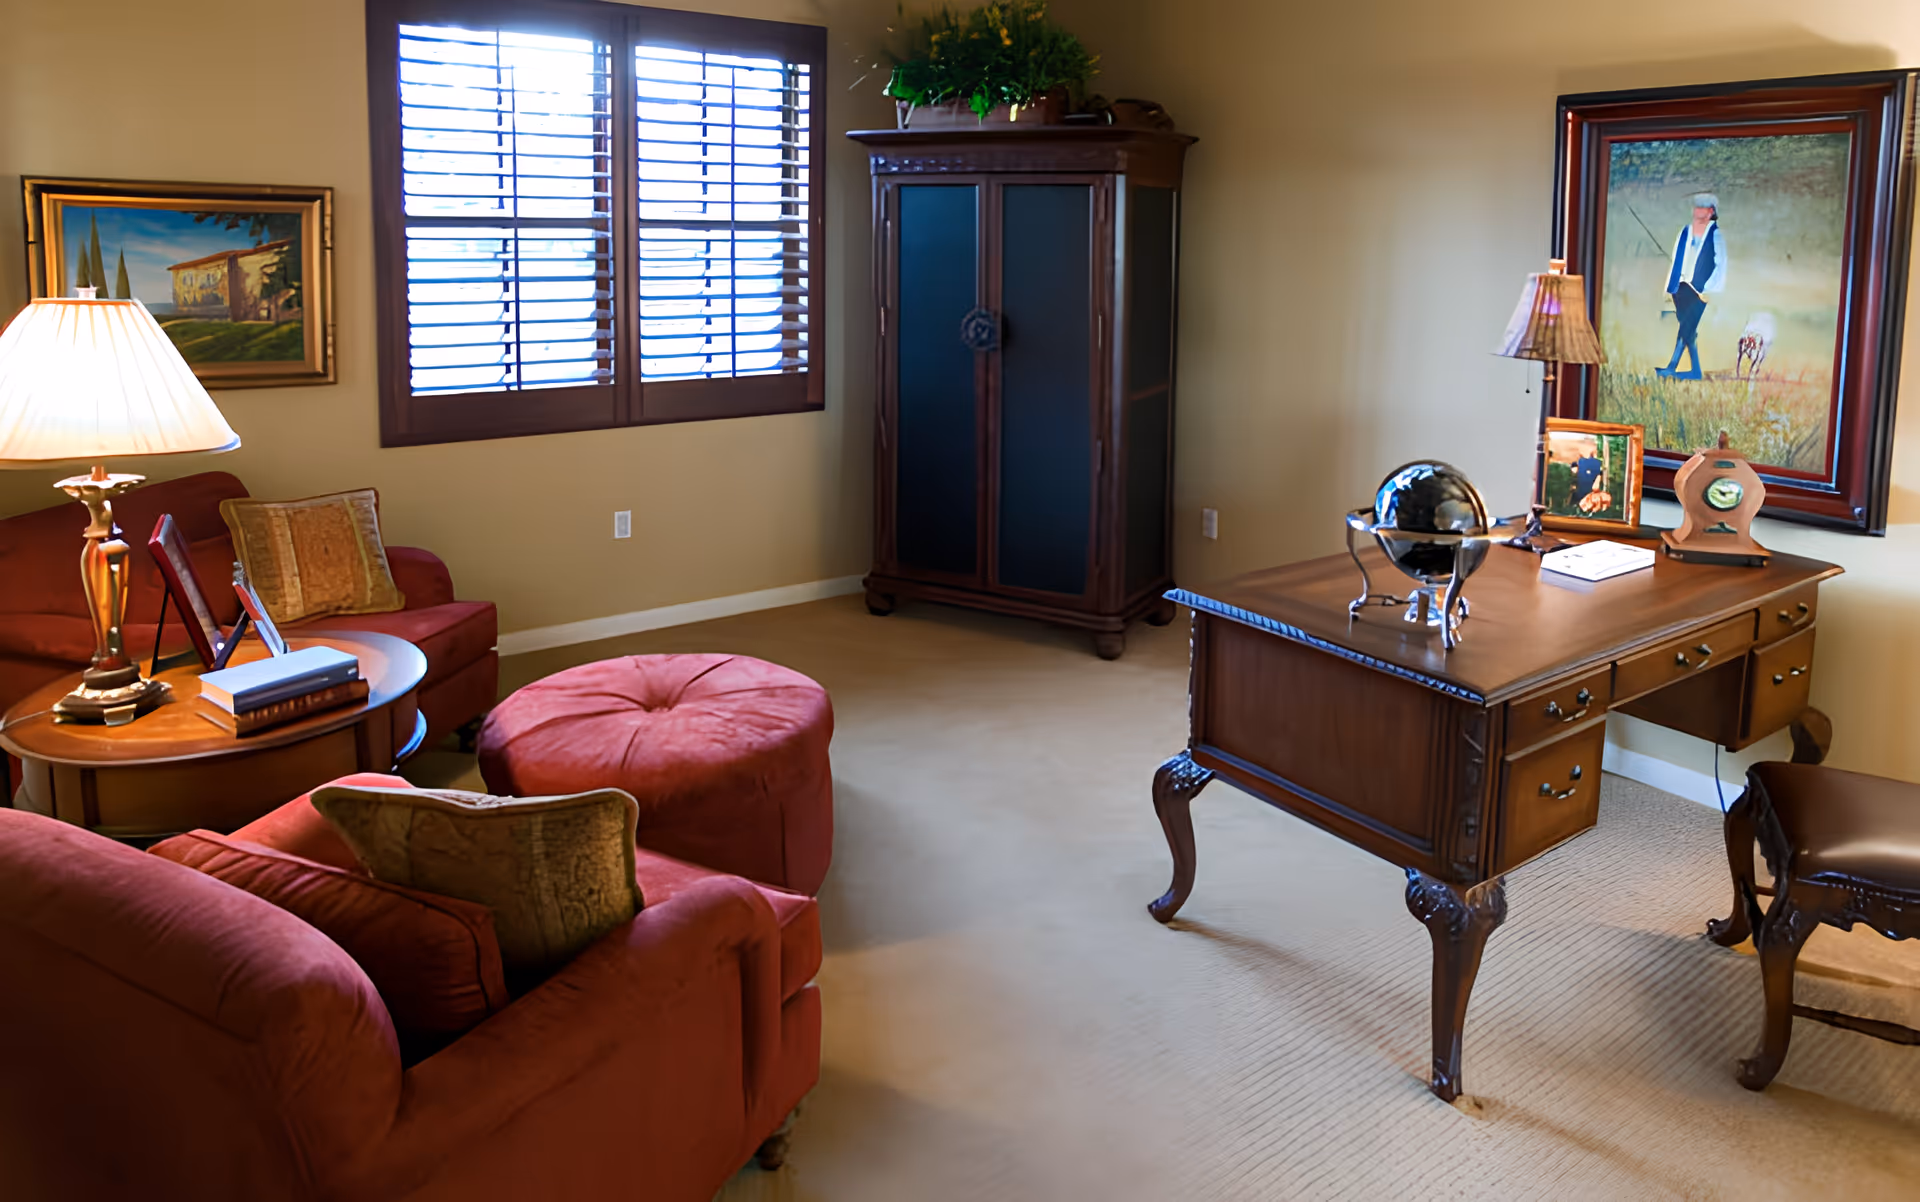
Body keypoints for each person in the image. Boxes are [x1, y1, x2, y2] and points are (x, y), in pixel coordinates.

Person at [1659, 192, 1727, 379]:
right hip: (1680, 288)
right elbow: (1675, 260)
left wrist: (1709, 290)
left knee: (1686, 328)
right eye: (1696, 207)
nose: (1697, 211)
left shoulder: (1716, 235)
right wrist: (1668, 289)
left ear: (1711, 212)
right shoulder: (1684, 232)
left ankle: (1672, 367)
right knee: (1688, 329)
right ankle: (1695, 370)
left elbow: (1721, 265)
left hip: (1699, 291)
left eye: (1702, 208)